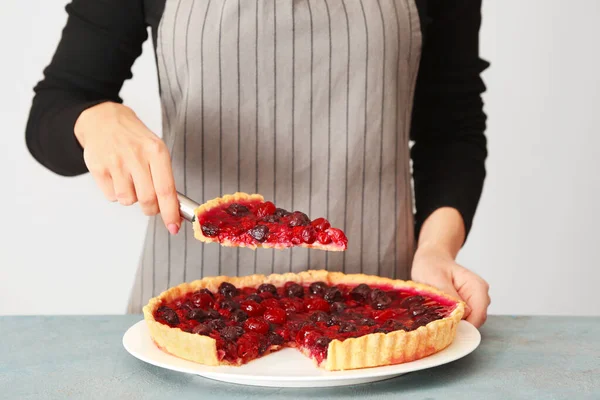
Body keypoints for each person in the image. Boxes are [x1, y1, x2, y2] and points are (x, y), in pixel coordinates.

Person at [25, 0, 491, 326]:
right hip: (189, 310)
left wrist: (435, 249)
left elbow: (451, 130)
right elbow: (55, 108)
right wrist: (95, 119)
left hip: (378, 310)